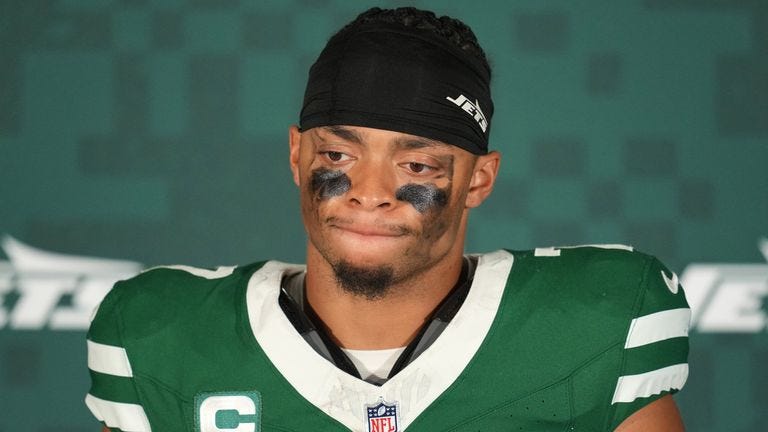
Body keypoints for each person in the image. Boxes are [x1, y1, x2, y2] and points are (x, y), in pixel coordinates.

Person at [84, 7, 690, 432]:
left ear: (478, 179)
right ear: (296, 156)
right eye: (338, 155)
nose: (370, 192)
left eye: (419, 165)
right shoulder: (162, 338)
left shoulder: (598, 322)